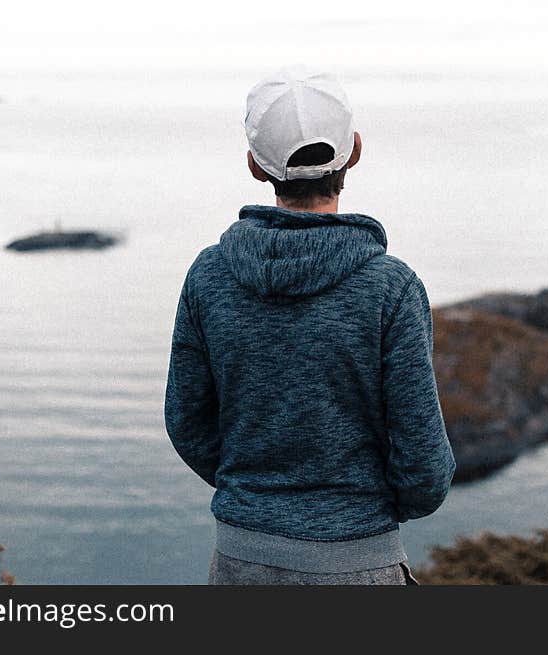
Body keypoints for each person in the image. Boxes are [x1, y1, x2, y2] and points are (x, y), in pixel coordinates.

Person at [164, 66, 455, 585]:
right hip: (359, 562)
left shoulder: (209, 275)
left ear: (255, 165)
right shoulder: (392, 288)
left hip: (239, 562)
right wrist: (364, 515)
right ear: (355, 152)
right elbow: (425, 466)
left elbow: (187, 422)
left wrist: (254, 494)